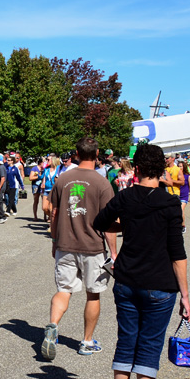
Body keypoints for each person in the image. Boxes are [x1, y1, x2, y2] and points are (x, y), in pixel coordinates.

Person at [92, 142, 190, 379]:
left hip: (126, 281)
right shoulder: (170, 203)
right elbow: (178, 253)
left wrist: (132, 226)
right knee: (149, 346)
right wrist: (185, 296)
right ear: (162, 171)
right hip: (160, 285)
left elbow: (101, 222)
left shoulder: (126, 197)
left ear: (136, 169)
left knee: (126, 341)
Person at [41, 138, 117, 360]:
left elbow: (52, 212)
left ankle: (53, 326)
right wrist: (113, 252)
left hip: (65, 244)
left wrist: (54, 240)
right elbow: (110, 223)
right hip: (93, 246)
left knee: (64, 290)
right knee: (93, 295)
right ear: (98, 153)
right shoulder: (102, 183)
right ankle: (86, 341)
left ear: (76, 153)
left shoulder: (63, 179)